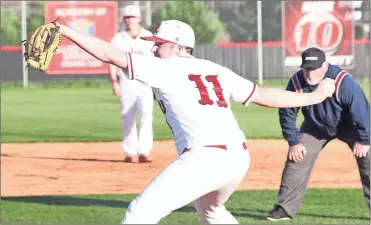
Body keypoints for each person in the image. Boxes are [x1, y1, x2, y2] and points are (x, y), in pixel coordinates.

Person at [58, 20, 335, 224]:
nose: (154, 50)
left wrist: (65, 30)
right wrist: (317, 96)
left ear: (179, 47)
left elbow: (108, 54)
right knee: (211, 211)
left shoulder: (164, 68)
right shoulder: (215, 69)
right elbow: (264, 95)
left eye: (160, 45)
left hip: (203, 159)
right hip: (237, 157)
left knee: (138, 215)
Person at [266, 47, 370, 221]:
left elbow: (362, 110)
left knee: (369, 157)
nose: (310, 73)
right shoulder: (297, 82)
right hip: (315, 127)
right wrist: (293, 142)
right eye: (307, 68)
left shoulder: (342, 81)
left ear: (325, 65)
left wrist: (365, 139)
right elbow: (287, 111)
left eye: (314, 68)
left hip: (348, 126)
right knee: (297, 157)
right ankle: (284, 209)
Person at [109, 5, 155, 163]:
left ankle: (144, 150)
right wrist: (114, 81)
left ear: (139, 19)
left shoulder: (148, 37)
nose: (130, 20)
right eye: (127, 17)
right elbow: (111, 61)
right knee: (127, 117)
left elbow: (155, 61)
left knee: (146, 116)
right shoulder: (118, 38)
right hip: (126, 81)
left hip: (144, 82)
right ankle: (130, 152)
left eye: (132, 17)